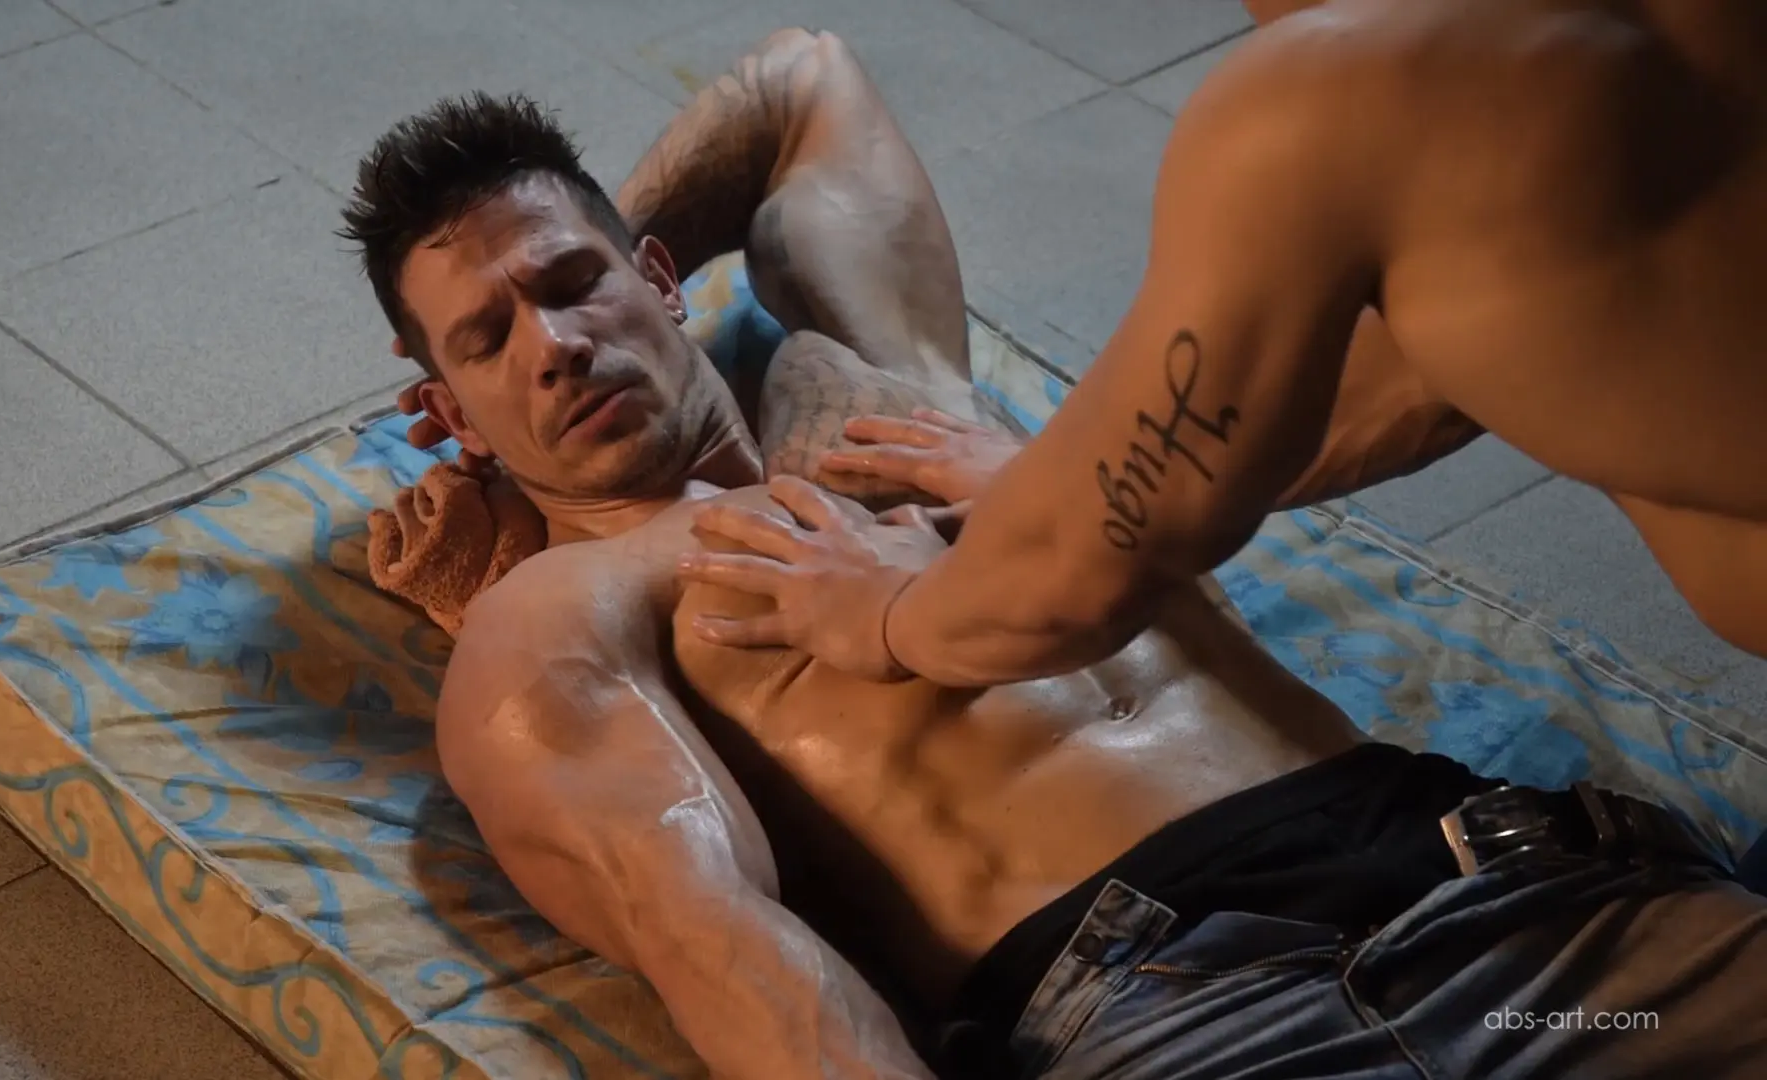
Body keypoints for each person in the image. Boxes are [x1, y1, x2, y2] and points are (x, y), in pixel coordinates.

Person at [342, 25, 1767, 1080]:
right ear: (445, 413)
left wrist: (594, 241)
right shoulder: (555, 618)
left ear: (660, 276)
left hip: (1524, 911)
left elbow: (805, 87)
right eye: (489, 340)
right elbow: (716, 942)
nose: (554, 343)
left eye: (576, 284)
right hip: (1209, 1021)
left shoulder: (887, 393)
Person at [673, 0, 1767, 690]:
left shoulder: (1333, 107)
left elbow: (1068, 585)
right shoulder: (1493, 102)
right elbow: (1446, 348)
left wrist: (887, 613)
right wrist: (1095, 474)